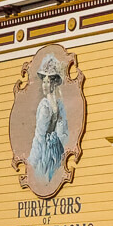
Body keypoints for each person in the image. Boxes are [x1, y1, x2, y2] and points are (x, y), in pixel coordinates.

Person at [27, 53, 69, 181]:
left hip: (51, 150)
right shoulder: (49, 105)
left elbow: (59, 132)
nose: (44, 85)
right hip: (49, 150)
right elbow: (42, 135)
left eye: (47, 82)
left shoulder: (53, 105)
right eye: (43, 82)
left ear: (54, 84)